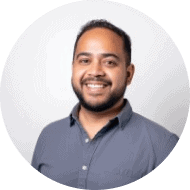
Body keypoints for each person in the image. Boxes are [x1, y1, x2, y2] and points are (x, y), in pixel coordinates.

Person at [31, 19, 179, 190]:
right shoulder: (48, 137)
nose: (95, 72)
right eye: (85, 60)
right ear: (73, 69)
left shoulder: (164, 146)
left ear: (128, 74)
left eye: (109, 62)